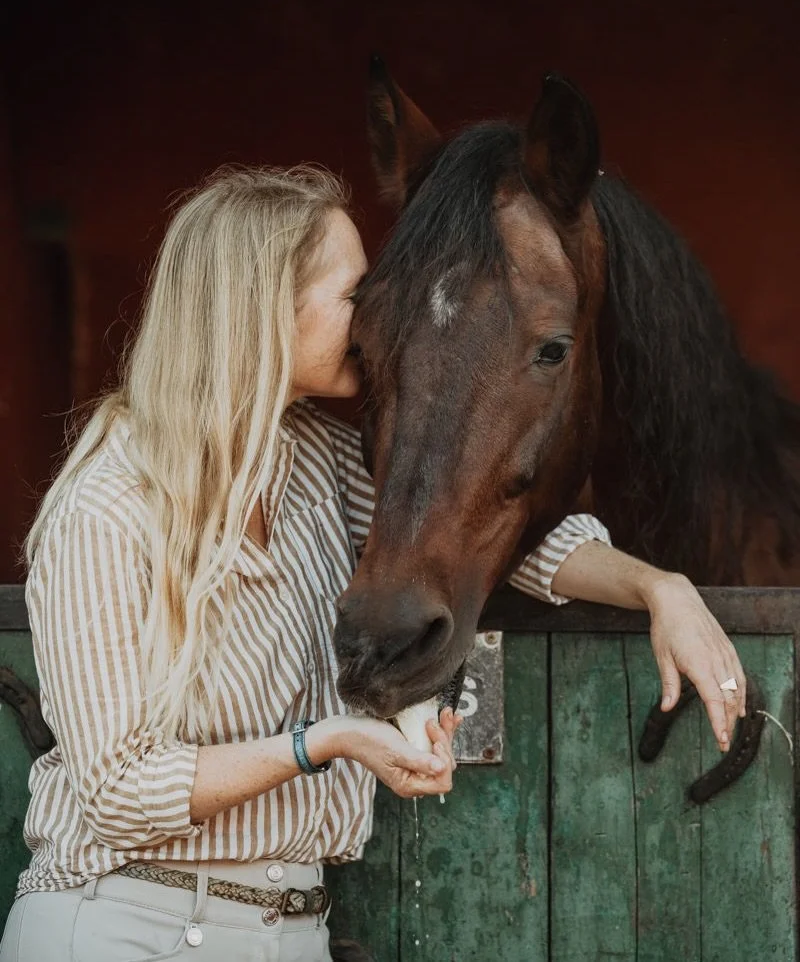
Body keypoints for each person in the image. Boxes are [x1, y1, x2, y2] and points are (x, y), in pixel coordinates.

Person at [0, 166, 746, 962]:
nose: (379, 315)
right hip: (123, 926)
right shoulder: (110, 509)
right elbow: (118, 794)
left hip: (287, 929)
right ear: (262, 309)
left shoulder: (314, 462)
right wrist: (328, 742)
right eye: (355, 294)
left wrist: (662, 588)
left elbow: (498, 538)